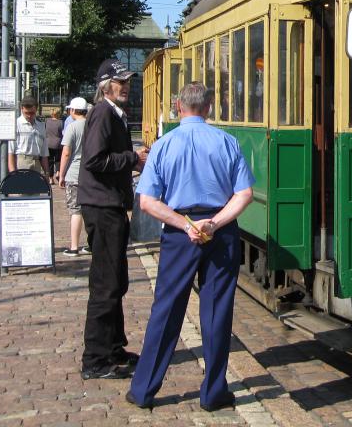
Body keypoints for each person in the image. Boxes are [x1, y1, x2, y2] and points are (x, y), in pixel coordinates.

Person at [126, 82, 254, 410]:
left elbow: (147, 203)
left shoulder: (164, 146)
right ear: (208, 108)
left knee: (166, 310)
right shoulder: (227, 143)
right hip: (220, 233)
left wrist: (185, 224)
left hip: (179, 234)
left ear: (178, 107)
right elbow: (244, 195)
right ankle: (213, 393)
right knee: (217, 312)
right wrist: (214, 223)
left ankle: (143, 390)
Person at [78, 58, 149, 380]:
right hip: (102, 206)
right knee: (106, 285)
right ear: (106, 86)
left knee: (116, 281)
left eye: (128, 81)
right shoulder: (103, 113)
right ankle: (95, 360)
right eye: (121, 82)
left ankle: (113, 347)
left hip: (109, 205)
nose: (127, 87)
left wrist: (132, 160)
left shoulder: (113, 115)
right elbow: (94, 159)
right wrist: (133, 158)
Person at [58, 97, 90, 256]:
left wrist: (61, 174)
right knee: (90, 210)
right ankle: (91, 244)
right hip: (91, 174)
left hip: (74, 174)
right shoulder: (92, 126)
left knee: (75, 211)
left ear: (72, 110)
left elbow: (66, 153)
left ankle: (74, 247)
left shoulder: (72, 127)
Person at [7, 97, 50, 178]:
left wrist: (47, 173)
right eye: (26, 113)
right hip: (21, 163)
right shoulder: (16, 125)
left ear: (36, 110)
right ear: (22, 109)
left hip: (37, 163)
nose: (29, 116)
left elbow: (44, 153)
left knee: (37, 190)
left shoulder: (41, 126)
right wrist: (13, 174)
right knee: (22, 190)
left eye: (32, 113)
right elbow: (11, 152)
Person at [46, 109, 64, 173]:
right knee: (58, 160)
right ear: (58, 114)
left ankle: (51, 178)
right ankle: (58, 172)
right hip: (58, 143)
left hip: (48, 143)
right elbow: (62, 133)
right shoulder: (60, 122)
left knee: (50, 160)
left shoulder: (47, 121)